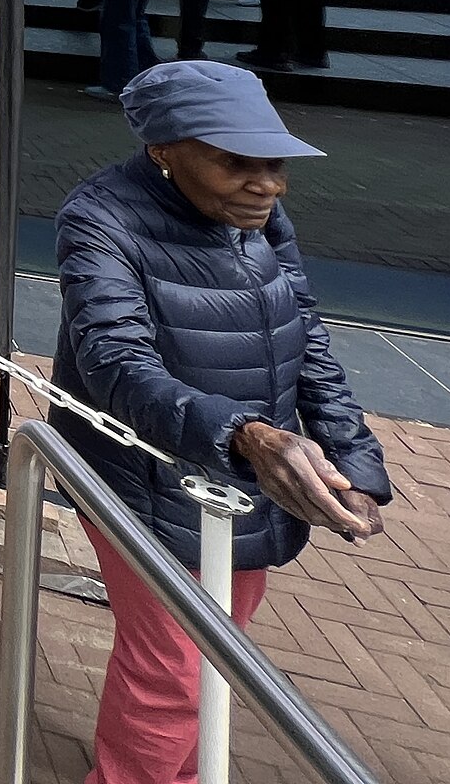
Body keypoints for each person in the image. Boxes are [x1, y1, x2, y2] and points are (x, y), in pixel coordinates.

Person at [53, 60, 391, 784]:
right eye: (235, 163)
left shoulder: (258, 219)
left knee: (217, 650)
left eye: (274, 164)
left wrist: (354, 460)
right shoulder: (100, 218)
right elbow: (113, 360)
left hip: (246, 475)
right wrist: (245, 435)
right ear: (163, 151)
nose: (267, 185)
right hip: (144, 470)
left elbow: (307, 335)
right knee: (173, 666)